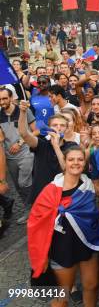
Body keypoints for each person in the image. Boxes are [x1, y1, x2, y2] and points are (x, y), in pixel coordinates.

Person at [27, 146, 99, 307]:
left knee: (92, 285)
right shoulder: (51, 190)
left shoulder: (88, 185)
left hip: (86, 243)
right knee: (62, 296)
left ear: (85, 163)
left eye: (80, 159)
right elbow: (36, 224)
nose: (76, 163)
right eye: (71, 159)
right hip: (61, 247)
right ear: (65, 163)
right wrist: (42, 255)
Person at [0, 88, 36, 223]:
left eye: (4, 98)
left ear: (10, 98)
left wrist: (20, 143)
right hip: (9, 157)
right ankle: (29, 210)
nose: (2, 102)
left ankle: (36, 206)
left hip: (26, 153)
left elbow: (36, 131)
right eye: (0, 99)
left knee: (24, 182)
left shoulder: (24, 110)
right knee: (18, 187)